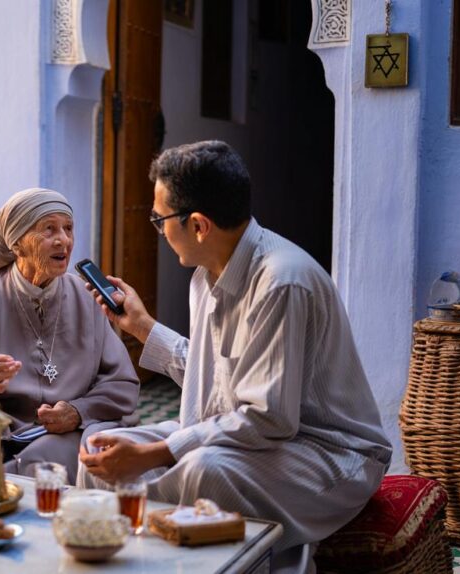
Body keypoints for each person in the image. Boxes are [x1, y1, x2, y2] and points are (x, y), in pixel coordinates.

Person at [77, 141, 391, 571]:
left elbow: (269, 416)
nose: (159, 230)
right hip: (255, 439)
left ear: (199, 225)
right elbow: (219, 382)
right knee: (101, 449)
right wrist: (141, 326)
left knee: (202, 469)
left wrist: (159, 454)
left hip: (327, 452)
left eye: (159, 219)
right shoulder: (206, 278)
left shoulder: (282, 282)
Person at [0, 188, 140, 483]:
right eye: (49, 229)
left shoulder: (87, 299)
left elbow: (122, 383)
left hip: (60, 433)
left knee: (64, 458)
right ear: (17, 244)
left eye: (68, 228)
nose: (63, 239)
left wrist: (77, 411)